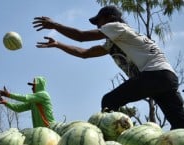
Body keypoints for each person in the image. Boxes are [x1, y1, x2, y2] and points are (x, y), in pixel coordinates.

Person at [32, 5, 184, 129]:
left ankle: (113, 142)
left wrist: (55, 25)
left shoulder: (117, 27)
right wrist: (59, 44)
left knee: (109, 101)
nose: (98, 26)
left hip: (154, 75)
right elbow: (85, 53)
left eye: (99, 21)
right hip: (167, 78)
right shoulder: (116, 40)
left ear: (110, 18)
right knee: (179, 124)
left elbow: (82, 37)